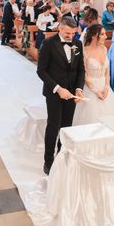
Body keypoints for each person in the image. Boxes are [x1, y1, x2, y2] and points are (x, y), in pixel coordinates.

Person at [36, 16, 85, 175]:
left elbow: (80, 69)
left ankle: (61, 157)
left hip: (71, 92)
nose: (71, 37)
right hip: (54, 92)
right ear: (60, 28)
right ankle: (48, 162)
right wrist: (58, 89)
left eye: (73, 33)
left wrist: (78, 89)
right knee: (53, 126)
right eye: (68, 33)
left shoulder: (77, 44)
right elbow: (41, 71)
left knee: (66, 127)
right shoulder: (48, 44)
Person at [74, 24, 114, 125]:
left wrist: (107, 87)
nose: (106, 36)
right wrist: (96, 91)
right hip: (90, 88)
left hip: (104, 87)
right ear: (94, 36)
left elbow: (107, 70)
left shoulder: (104, 48)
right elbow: (84, 75)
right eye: (102, 34)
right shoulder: (84, 51)